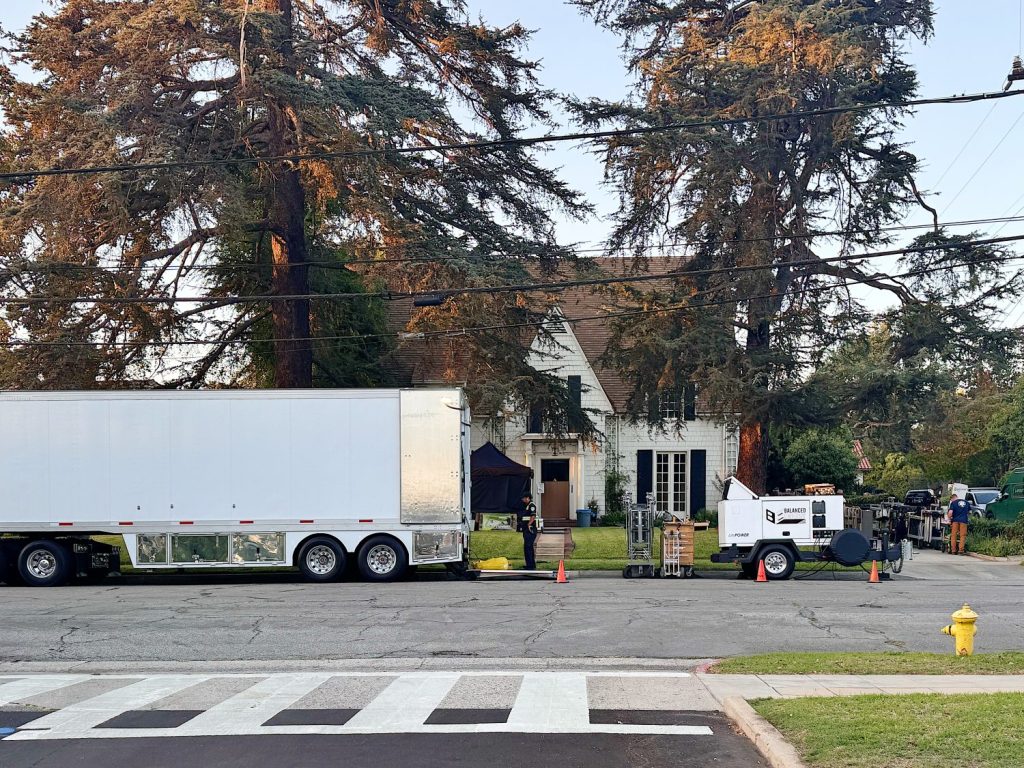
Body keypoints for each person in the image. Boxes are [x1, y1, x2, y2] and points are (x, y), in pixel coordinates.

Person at [517, 493, 538, 570]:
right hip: (526, 529)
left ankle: (531, 565)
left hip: (530, 529)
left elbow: (533, 516)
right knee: (527, 547)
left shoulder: (532, 506)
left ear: (527, 498)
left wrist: (529, 524)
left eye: (523, 498)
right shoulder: (526, 506)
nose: (522, 500)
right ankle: (529, 564)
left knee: (528, 547)